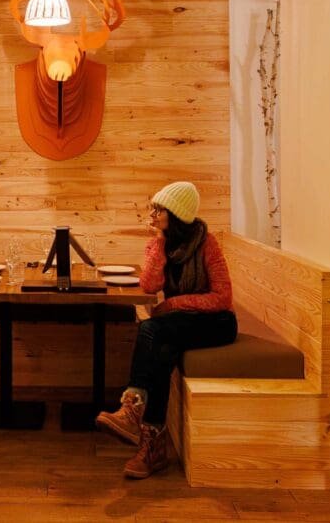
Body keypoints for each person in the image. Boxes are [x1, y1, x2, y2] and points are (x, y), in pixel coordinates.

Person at [96, 181, 237, 479]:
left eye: (159, 209)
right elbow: (148, 285)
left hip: (217, 323)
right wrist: (158, 243)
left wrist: (173, 306)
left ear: (177, 214)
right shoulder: (160, 244)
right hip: (179, 326)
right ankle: (151, 447)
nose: (153, 214)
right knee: (163, 350)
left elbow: (223, 298)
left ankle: (133, 408)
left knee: (151, 328)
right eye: (153, 208)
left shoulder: (206, 243)